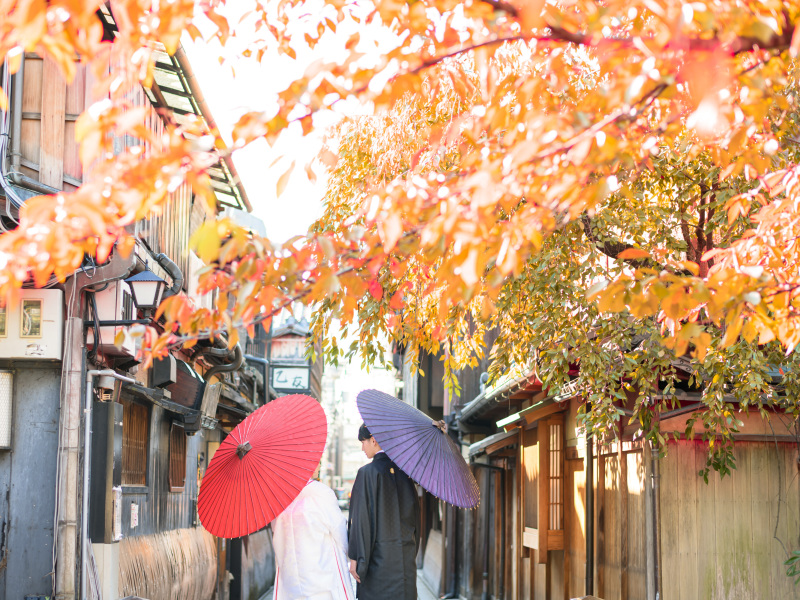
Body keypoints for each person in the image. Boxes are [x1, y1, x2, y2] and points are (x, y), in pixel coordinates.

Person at [348, 423, 419, 600]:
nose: (362, 447)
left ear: (373, 440)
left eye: (363, 442)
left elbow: (360, 520)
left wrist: (356, 558)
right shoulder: (407, 474)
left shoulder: (367, 473)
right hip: (404, 564)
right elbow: (415, 520)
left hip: (378, 564)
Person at [272, 462, 355, 600]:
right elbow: (338, 527)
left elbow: (277, 531)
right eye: (316, 462)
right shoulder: (321, 492)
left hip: (290, 574)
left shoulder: (281, 496)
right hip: (321, 569)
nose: (319, 466)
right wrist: (349, 553)